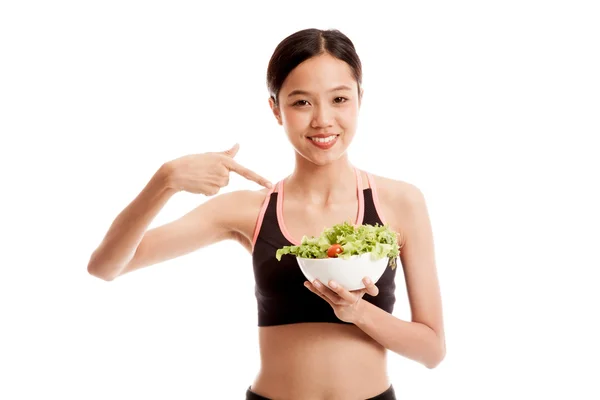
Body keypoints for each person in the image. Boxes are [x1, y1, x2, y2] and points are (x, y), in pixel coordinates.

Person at [87, 28, 446, 400]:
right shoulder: (251, 210)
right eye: (301, 103)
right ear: (276, 109)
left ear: (360, 99)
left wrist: (358, 312)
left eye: (339, 98)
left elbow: (432, 350)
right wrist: (164, 182)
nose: (323, 119)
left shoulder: (401, 202)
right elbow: (106, 266)